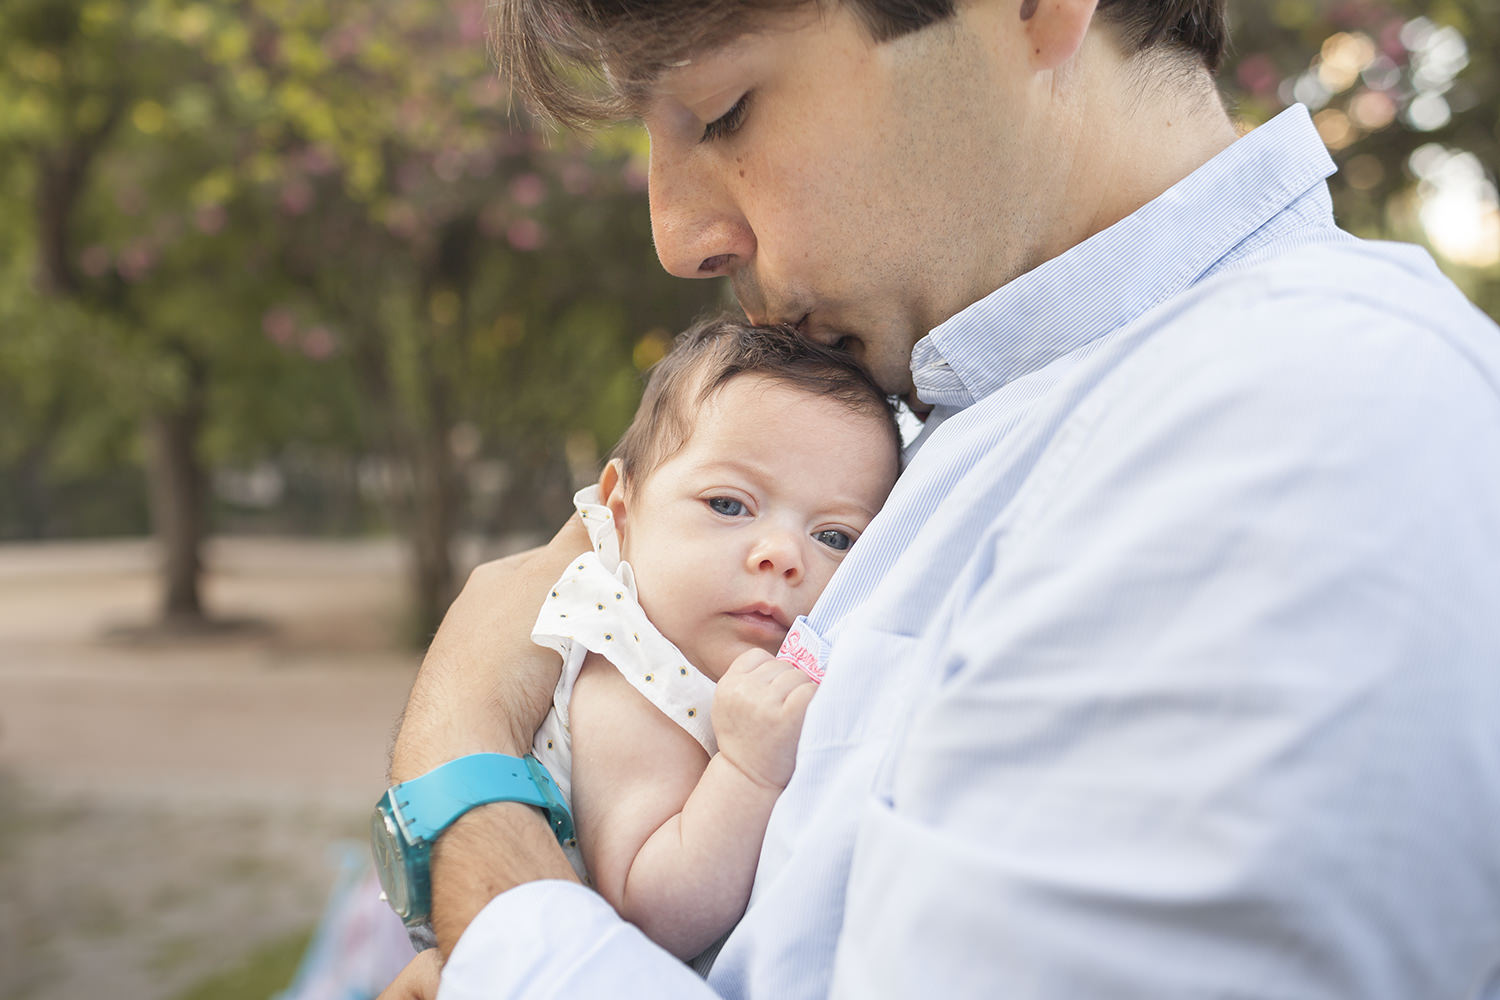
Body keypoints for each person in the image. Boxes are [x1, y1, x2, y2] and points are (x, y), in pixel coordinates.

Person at [384, 1, 1500, 997]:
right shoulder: (969, 414)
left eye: (723, 113)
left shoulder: (1299, 434)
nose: (680, 236)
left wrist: (466, 788)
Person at [527, 317, 900, 959]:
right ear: (622, 507)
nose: (783, 555)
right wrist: (750, 768)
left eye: (835, 537)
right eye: (729, 505)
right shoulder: (631, 668)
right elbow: (652, 912)